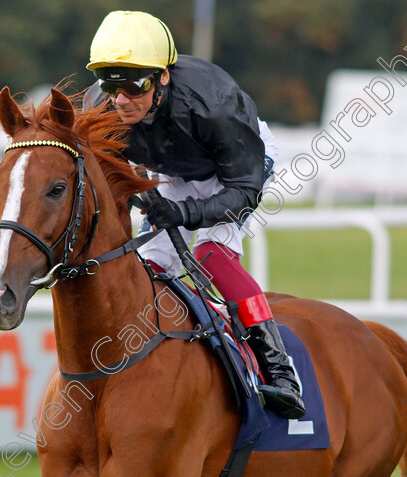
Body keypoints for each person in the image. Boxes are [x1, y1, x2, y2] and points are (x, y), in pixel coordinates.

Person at [84, 11, 305, 419]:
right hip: (173, 169)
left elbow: (242, 191)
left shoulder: (215, 106)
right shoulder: (101, 107)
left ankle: (278, 366)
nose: (119, 99)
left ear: (162, 77)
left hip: (236, 169)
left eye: (133, 85)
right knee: (147, 267)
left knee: (210, 256)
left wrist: (182, 211)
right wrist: (134, 191)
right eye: (110, 85)